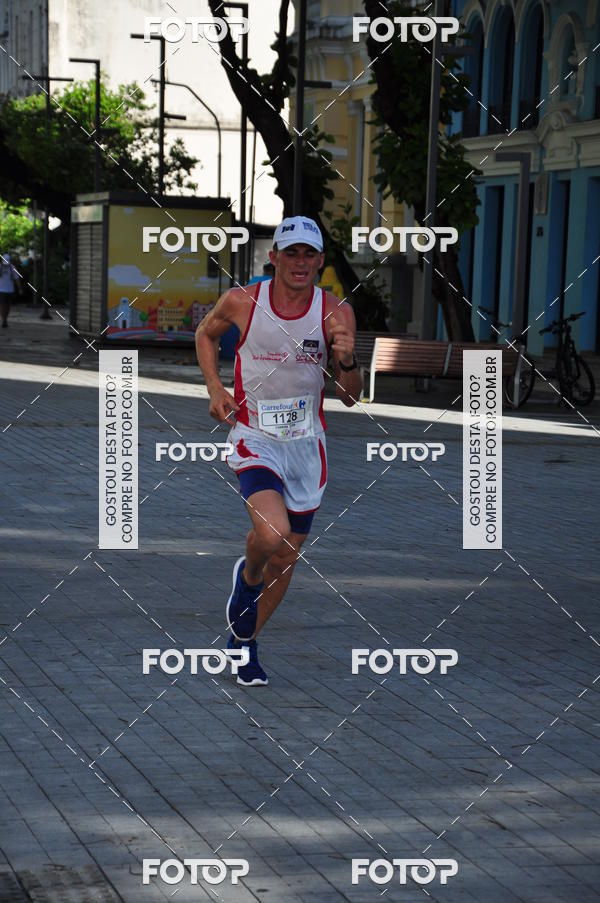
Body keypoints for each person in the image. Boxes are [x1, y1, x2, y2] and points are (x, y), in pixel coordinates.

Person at [196, 216, 362, 686]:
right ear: (274, 258)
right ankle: (246, 577)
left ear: (321, 262)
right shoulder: (243, 301)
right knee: (270, 536)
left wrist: (347, 360)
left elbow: (351, 395)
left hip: (307, 447)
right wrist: (214, 388)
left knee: (287, 557)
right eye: (291, 253)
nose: (300, 262)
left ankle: (244, 643)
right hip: (256, 437)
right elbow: (205, 335)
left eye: (310, 254)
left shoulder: (336, 314)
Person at [0, 254, 22, 328]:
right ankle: (4, 319)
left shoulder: (12, 268)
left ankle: (5, 319)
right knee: (3, 305)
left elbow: (16, 279)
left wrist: (19, 288)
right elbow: (17, 279)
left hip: (9, 290)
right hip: (1, 290)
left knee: (8, 306)